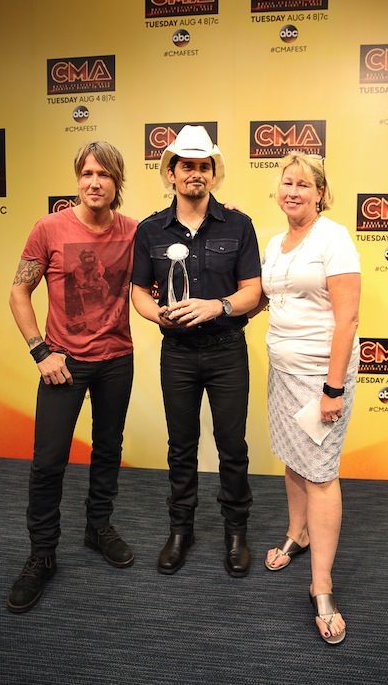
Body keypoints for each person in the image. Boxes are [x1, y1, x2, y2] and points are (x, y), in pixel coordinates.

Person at [6, 141, 137, 613]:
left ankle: (97, 526)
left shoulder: (134, 232)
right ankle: (42, 554)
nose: (94, 182)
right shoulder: (49, 228)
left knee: (108, 449)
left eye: (104, 174)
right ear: (77, 179)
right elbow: (19, 291)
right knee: (48, 462)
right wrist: (41, 351)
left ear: (117, 181)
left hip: (117, 359)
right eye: (86, 173)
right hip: (63, 363)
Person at [131, 125, 261, 577]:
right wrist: (155, 315)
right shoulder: (149, 230)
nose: (195, 173)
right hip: (179, 354)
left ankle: (236, 533)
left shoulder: (239, 225)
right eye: (187, 165)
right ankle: (180, 530)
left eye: (204, 166)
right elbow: (138, 292)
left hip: (227, 350)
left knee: (232, 446)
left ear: (213, 173)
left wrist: (216, 306)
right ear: (172, 172)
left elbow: (253, 292)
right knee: (181, 446)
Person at [253, 152, 360, 644]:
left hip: (322, 376)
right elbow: (268, 297)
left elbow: (349, 320)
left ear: (320, 192)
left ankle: (322, 585)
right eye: (286, 182)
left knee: (320, 473)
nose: (293, 190)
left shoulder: (334, 238)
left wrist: (333, 389)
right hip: (283, 371)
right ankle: (297, 533)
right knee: (293, 462)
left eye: (303, 184)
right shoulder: (276, 242)